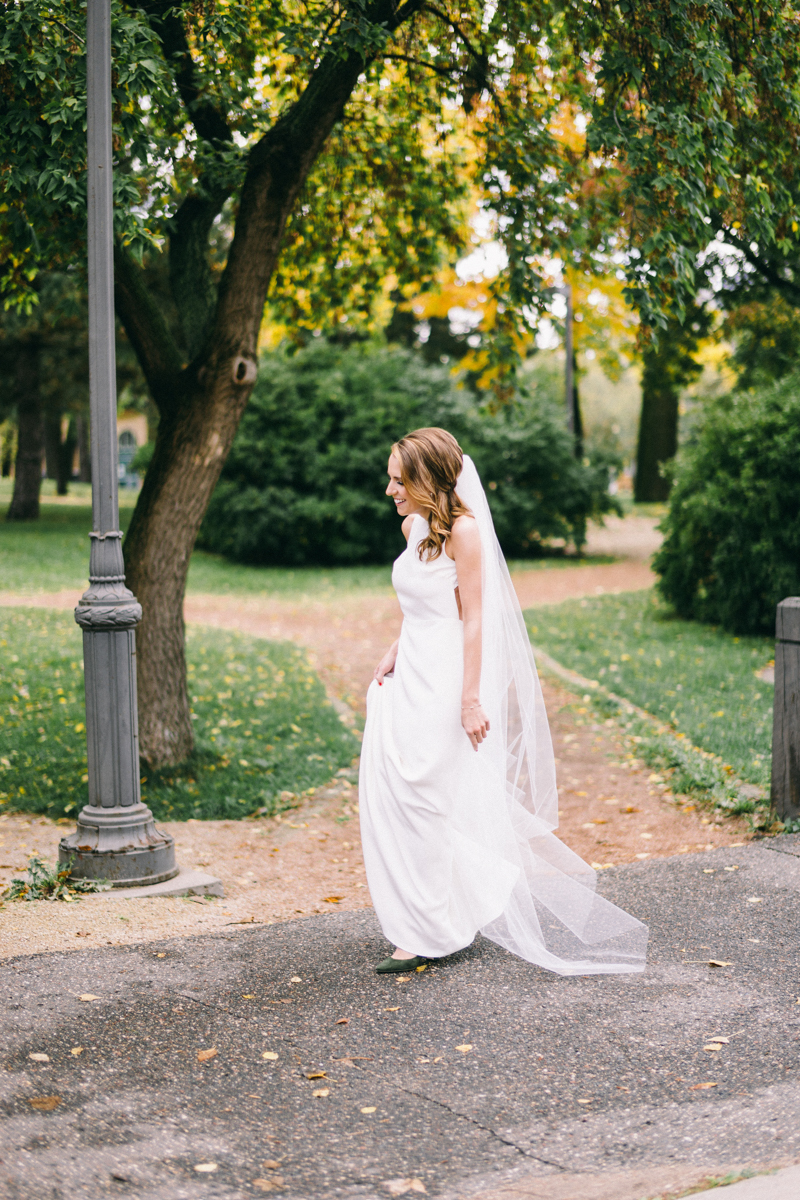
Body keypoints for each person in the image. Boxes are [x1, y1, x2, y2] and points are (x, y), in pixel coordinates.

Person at [359, 427, 648, 976]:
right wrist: (398, 646)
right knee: (395, 792)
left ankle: (431, 931)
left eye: (399, 480)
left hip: (448, 676)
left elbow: (474, 617)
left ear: (426, 479)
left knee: (427, 797)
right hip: (412, 667)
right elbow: (420, 599)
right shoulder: (413, 526)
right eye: (391, 480)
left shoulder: (464, 532)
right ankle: (442, 912)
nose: (390, 490)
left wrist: (470, 700)